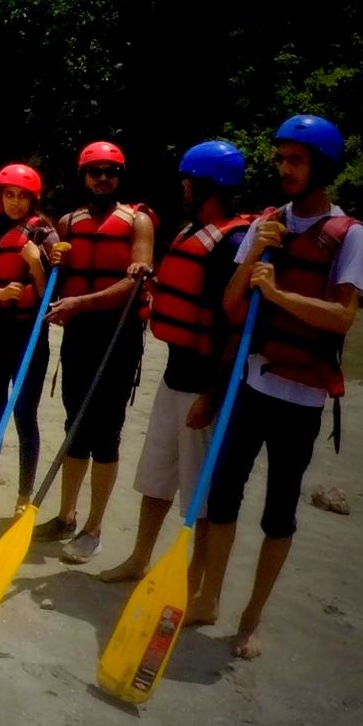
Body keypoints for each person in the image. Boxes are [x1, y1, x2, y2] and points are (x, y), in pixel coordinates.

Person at [201, 115, 363, 660]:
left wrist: (278, 297)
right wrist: (251, 259)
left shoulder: (349, 234)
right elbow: (229, 307)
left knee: (278, 511)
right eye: (281, 159)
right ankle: (210, 598)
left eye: (296, 160)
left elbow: (343, 318)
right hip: (252, 384)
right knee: (222, 497)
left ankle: (251, 618)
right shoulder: (267, 223)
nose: (285, 169)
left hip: (302, 397)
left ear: (321, 166)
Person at [97, 141, 250, 588]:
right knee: (157, 477)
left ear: (207, 185)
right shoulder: (190, 232)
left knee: (199, 493)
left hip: (204, 385)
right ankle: (140, 557)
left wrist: (213, 396)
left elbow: (234, 330)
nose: (182, 186)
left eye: (188, 179)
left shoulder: (233, 243)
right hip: (174, 375)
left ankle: (193, 578)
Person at [38, 141, 157, 562]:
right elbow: (60, 271)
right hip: (80, 335)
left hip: (118, 337)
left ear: (120, 176)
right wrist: (51, 263)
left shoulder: (138, 221)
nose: (103, 178)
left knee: (106, 433)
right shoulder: (69, 221)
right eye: (95, 171)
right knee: (76, 424)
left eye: (110, 171)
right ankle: (65, 516)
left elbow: (136, 280)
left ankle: (94, 527)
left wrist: (79, 304)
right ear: (84, 177)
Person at [0, 163, 57, 515]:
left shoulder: (43, 234)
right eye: (9, 195)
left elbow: (50, 297)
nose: (15, 203)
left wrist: (34, 265)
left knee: (23, 414)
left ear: (33, 199)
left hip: (28, 336)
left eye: (22, 197)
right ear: (0, 196)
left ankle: (23, 495)